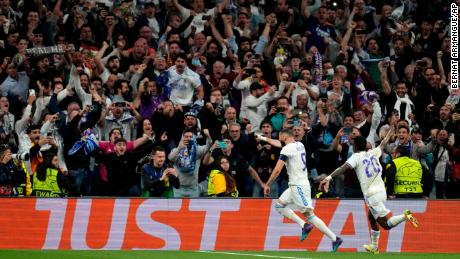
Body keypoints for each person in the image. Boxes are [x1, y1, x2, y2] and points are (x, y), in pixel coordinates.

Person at [319, 129, 420, 255]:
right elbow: (383, 143)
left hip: (372, 194)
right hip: (381, 191)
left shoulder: (356, 157)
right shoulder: (373, 152)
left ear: (355, 146)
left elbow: (342, 168)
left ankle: (405, 216)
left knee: (386, 224)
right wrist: (389, 133)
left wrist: (327, 178)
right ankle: (374, 246)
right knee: (371, 217)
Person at [258, 129, 343, 252]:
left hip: (299, 187)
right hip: (295, 185)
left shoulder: (286, 149)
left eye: (280, 136)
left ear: (283, 136)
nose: (279, 138)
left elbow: (277, 170)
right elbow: (277, 143)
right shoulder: (300, 144)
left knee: (310, 215)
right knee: (279, 206)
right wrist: (263, 138)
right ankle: (304, 225)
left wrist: (267, 184)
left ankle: (335, 238)